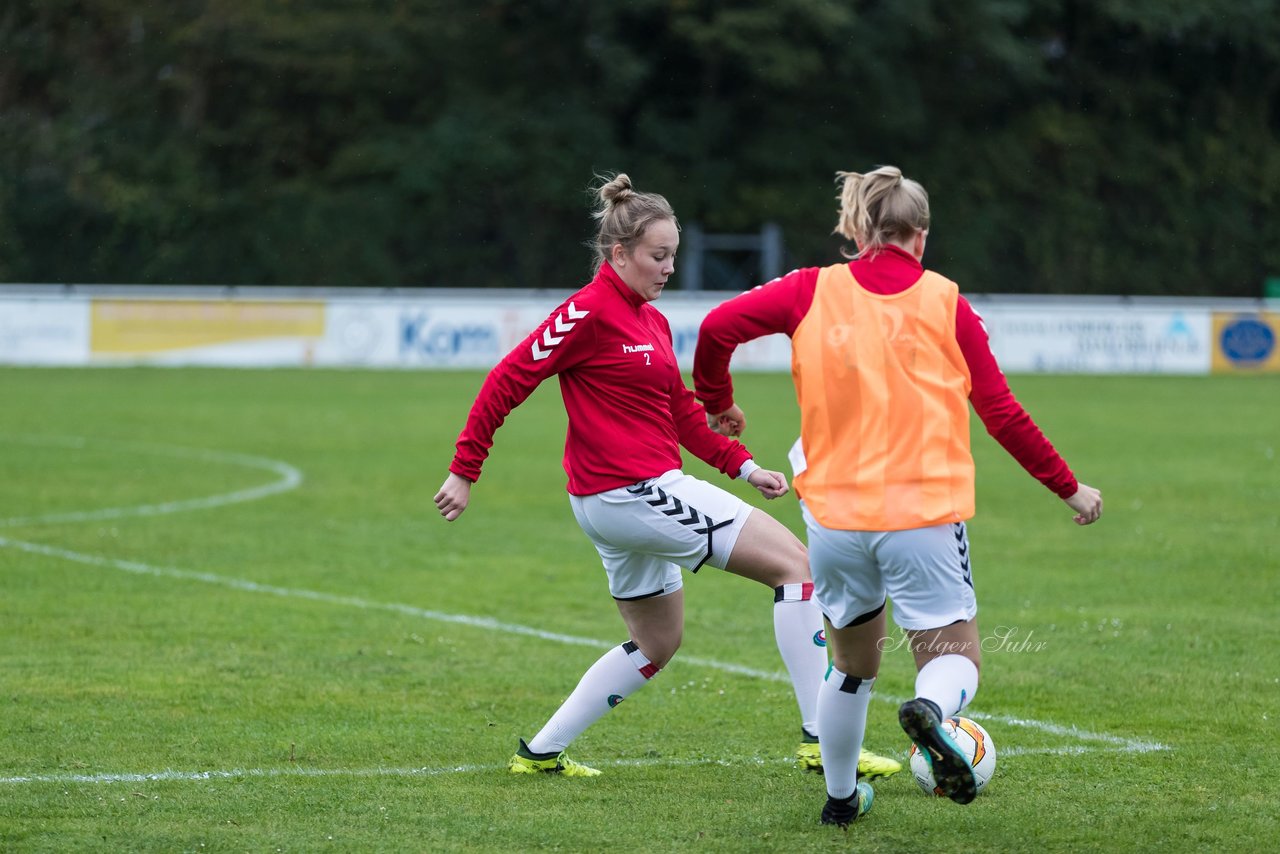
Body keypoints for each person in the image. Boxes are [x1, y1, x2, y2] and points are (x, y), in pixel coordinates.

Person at [434, 173, 898, 787]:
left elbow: (681, 412)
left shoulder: (647, 319)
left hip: (620, 499)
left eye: (673, 255)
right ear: (618, 253)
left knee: (656, 642)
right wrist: (465, 470)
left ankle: (540, 752)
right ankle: (821, 739)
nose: (669, 267)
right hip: (629, 491)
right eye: (658, 255)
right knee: (800, 569)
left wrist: (745, 465)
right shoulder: (586, 312)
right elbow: (507, 380)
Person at [693, 165, 1103, 828]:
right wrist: (1069, 487)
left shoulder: (809, 290)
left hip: (831, 516)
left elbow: (716, 328)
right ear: (921, 235)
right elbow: (1000, 412)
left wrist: (718, 404)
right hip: (921, 511)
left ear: (857, 229)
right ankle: (932, 715)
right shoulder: (946, 302)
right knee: (954, 657)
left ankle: (840, 798)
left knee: (851, 666)